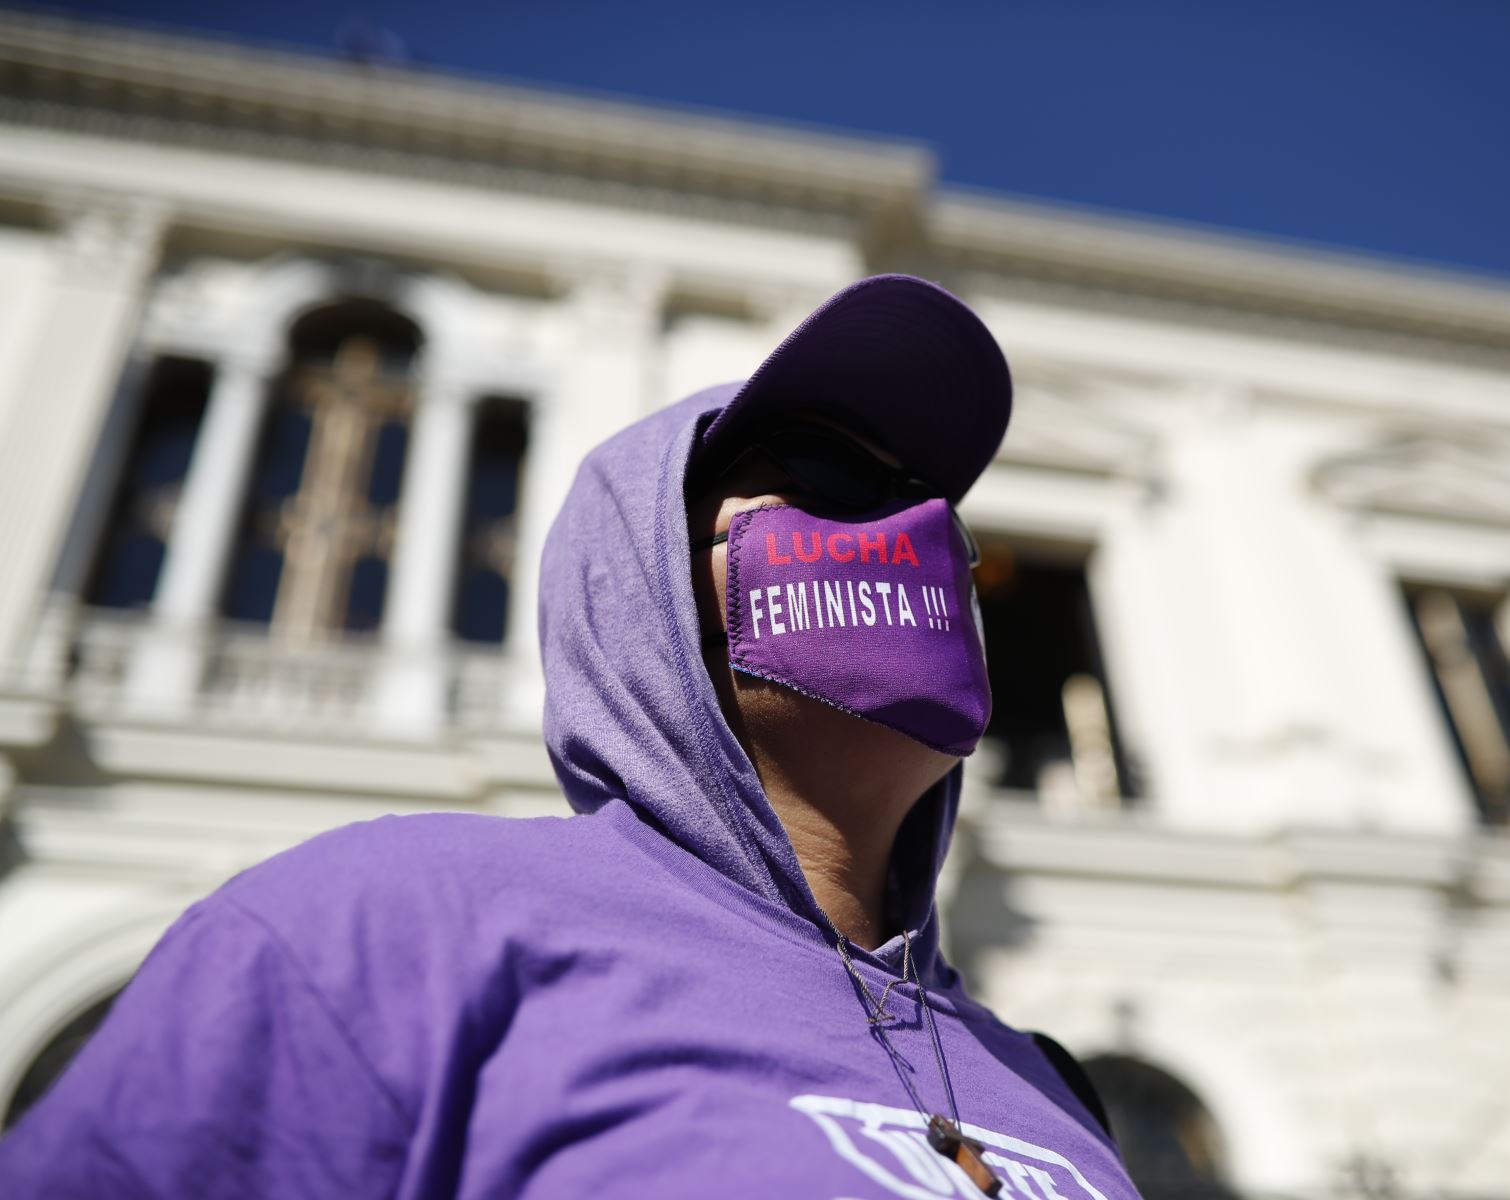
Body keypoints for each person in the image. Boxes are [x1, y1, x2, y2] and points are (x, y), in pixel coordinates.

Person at [0, 274, 1138, 1199]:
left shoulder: (1043, 1081)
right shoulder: (384, 926)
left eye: (932, 504)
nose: (918, 529)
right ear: (637, 589)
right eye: (830, 479)